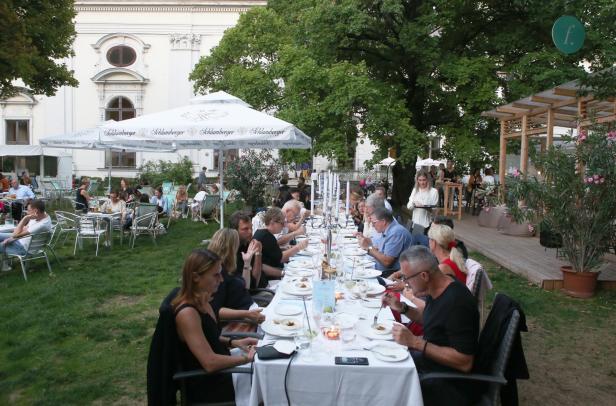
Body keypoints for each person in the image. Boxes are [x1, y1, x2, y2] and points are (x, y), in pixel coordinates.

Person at [383, 245, 479, 405]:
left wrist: (415, 342)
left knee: (385, 379)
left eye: (406, 279)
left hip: (444, 383)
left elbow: (464, 362)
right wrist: (402, 308)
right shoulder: (439, 288)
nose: (405, 284)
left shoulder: (457, 303)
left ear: (424, 276)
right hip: (429, 366)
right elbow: (431, 319)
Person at [172, 249, 257, 404]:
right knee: (266, 381)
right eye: (216, 275)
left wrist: (234, 342)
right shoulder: (188, 313)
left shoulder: (204, 301)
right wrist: (245, 359)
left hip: (223, 368)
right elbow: (209, 363)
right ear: (196, 277)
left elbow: (210, 335)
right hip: (210, 384)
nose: (222, 280)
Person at [207, 228, 265, 327]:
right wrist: (246, 314)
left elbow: (246, 287)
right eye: (236, 244)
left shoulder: (229, 264)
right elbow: (215, 310)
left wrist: (247, 262)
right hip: (240, 321)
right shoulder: (216, 272)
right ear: (230, 247)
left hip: (250, 310)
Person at [252, 207, 308, 288]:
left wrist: (283, 249)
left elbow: (270, 252)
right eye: (282, 223)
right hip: (270, 280)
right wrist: (298, 247)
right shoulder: (266, 236)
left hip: (274, 272)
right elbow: (281, 258)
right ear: (272, 222)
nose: (284, 226)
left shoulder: (262, 232)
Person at [358, 207, 413, 278]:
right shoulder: (388, 229)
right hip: (379, 268)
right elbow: (378, 246)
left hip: (388, 274)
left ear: (383, 221)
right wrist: (365, 240)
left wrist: (369, 248)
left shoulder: (396, 233)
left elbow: (387, 262)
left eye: (374, 223)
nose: (373, 226)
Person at [0, 200, 52, 270]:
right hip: (22, 240)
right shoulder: (42, 215)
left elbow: (15, 234)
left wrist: (25, 218)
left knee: (2, 243)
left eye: (28, 210)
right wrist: (12, 238)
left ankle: (5, 265)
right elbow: (23, 230)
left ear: (36, 211)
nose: (27, 212)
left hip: (24, 249)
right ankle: (5, 264)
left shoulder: (41, 225)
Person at [229, 211, 263, 289]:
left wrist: (282, 273)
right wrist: (258, 253)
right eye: (245, 229)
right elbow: (253, 285)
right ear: (234, 231)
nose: (250, 232)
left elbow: (262, 267)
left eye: (251, 227)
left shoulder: (247, 243)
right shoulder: (232, 252)